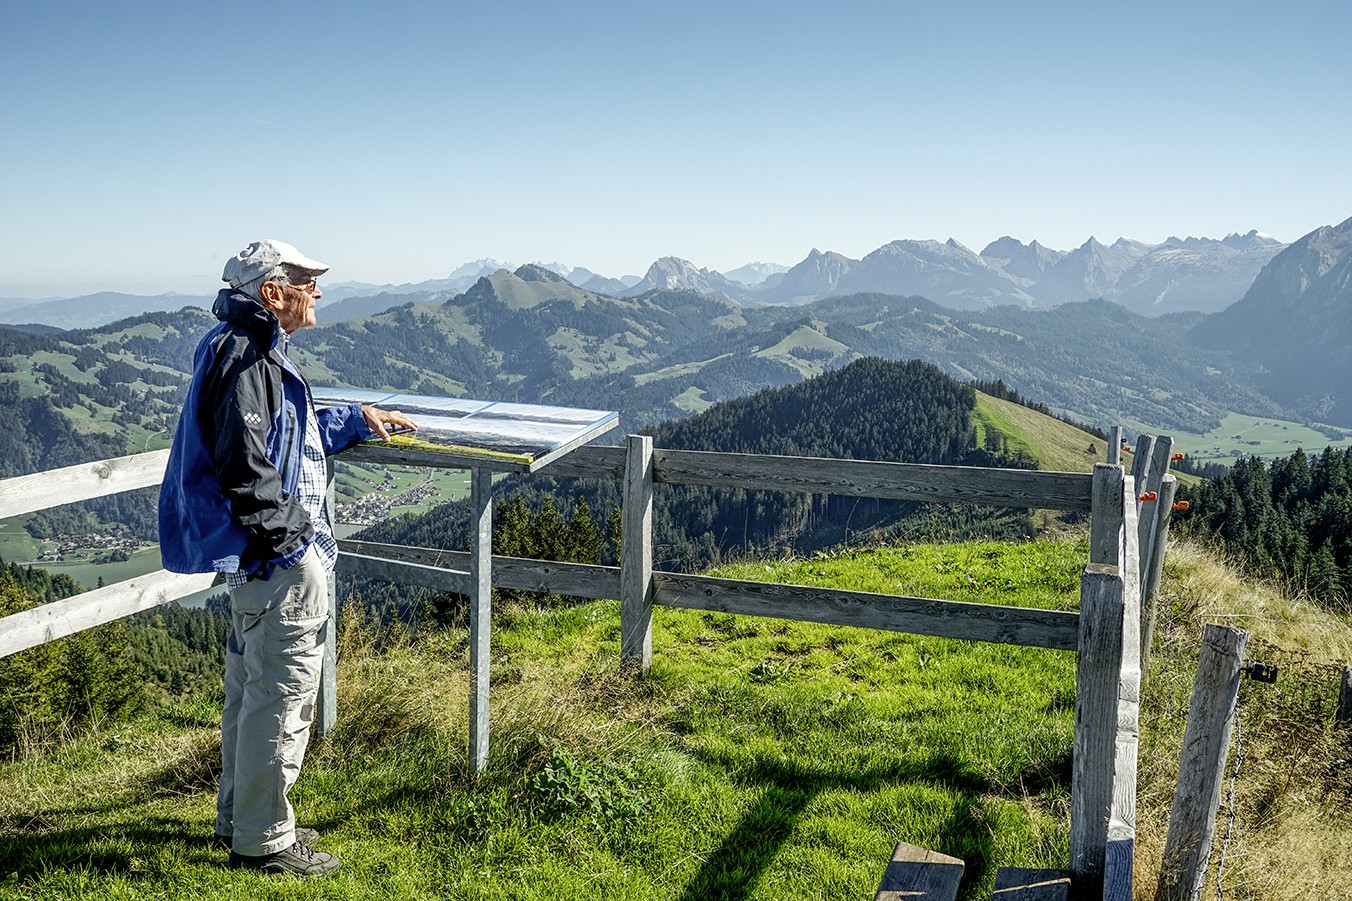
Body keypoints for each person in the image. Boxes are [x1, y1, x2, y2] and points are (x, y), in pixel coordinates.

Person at [158, 239, 417, 877]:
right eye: (306, 280)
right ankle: (266, 840)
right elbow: (243, 462)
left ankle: (239, 821)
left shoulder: (240, 348)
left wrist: (355, 418)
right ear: (273, 294)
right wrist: (291, 540)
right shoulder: (249, 357)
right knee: (285, 696)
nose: (319, 292)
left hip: (254, 559)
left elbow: (287, 435)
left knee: (251, 692)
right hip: (278, 559)